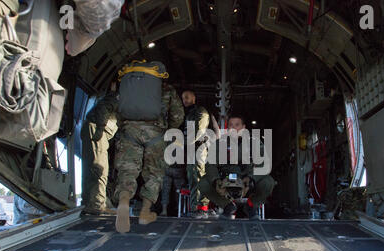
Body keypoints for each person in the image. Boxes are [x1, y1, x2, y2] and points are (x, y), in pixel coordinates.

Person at [114, 80, 184, 233]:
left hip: (129, 130)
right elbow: (178, 115)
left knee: (128, 169)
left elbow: (117, 108)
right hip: (156, 134)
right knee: (155, 173)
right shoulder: (167, 88)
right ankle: (145, 211)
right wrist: (168, 129)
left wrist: (125, 126)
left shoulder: (129, 85)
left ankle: (124, 200)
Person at [198, 114, 276, 220]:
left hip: (247, 181)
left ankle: (251, 206)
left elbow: (265, 164)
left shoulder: (255, 143)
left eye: (237, 125)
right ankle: (227, 206)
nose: (233, 128)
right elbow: (210, 164)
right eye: (230, 125)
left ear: (243, 127)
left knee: (268, 182)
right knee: (203, 183)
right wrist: (215, 181)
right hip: (224, 181)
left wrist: (251, 178)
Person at [81, 81, 119, 214]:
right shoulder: (118, 97)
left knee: (92, 168)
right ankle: (97, 204)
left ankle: (91, 201)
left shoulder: (117, 96)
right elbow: (104, 107)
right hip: (96, 129)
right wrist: (101, 128)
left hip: (94, 129)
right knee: (99, 168)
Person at [181, 90, 210, 219]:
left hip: (198, 148)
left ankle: (201, 208)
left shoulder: (200, 111)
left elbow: (199, 131)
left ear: (194, 98)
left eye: (187, 97)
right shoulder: (186, 114)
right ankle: (195, 208)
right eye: (183, 98)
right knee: (192, 177)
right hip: (192, 149)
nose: (184, 100)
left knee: (198, 176)